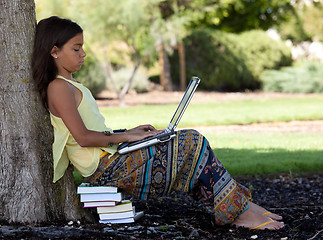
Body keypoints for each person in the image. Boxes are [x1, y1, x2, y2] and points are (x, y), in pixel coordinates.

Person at [32, 16, 284, 230]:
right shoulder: (58, 87)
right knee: (191, 143)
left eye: (82, 47)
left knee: (185, 144)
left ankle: (241, 206)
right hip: (105, 170)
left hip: (115, 158)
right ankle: (239, 211)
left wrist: (132, 133)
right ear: (54, 51)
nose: (83, 53)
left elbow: (92, 132)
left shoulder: (72, 86)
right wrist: (127, 136)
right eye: (76, 49)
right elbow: (84, 138)